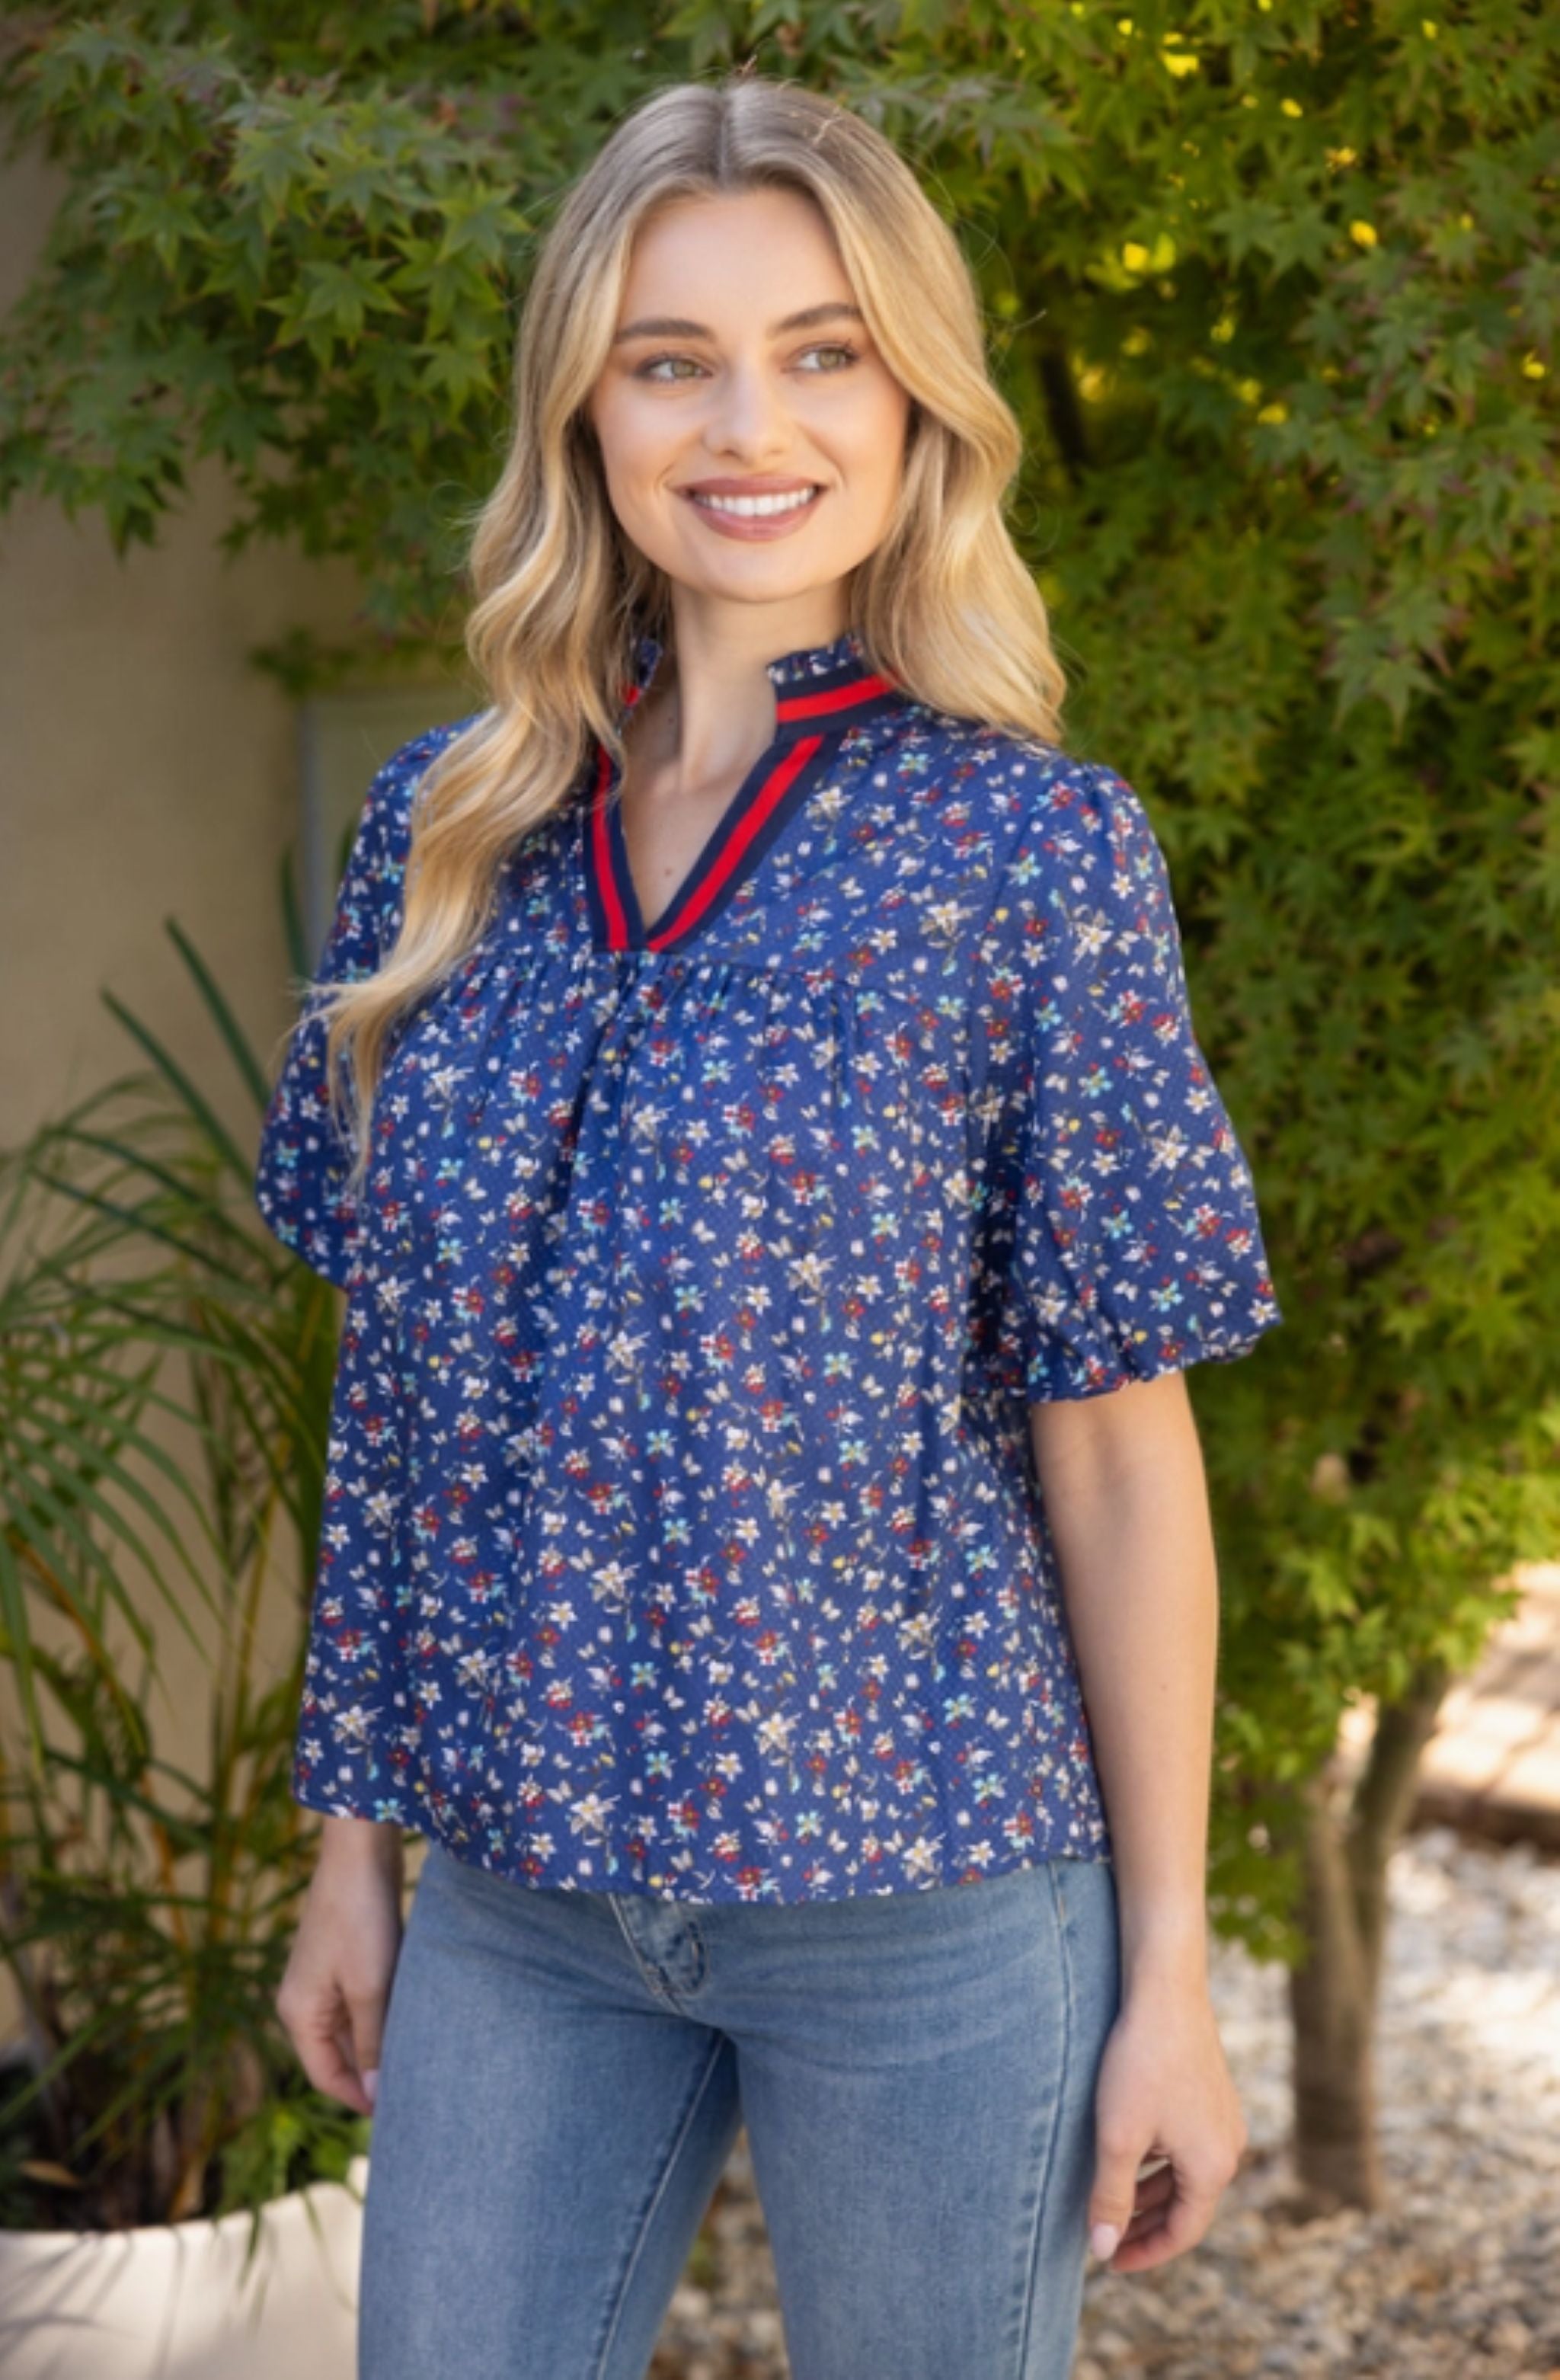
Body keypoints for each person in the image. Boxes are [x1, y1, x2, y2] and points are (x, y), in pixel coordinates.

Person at [255, 69, 1283, 2380]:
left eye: (824, 351)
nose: (751, 425)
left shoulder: (1030, 855)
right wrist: (351, 1850)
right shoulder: (447, 833)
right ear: (585, 411)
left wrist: (1169, 1975)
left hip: (929, 1901)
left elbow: (1123, 1458)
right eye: (671, 358)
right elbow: (394, 1401)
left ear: (917, 405)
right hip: (522, 1901)